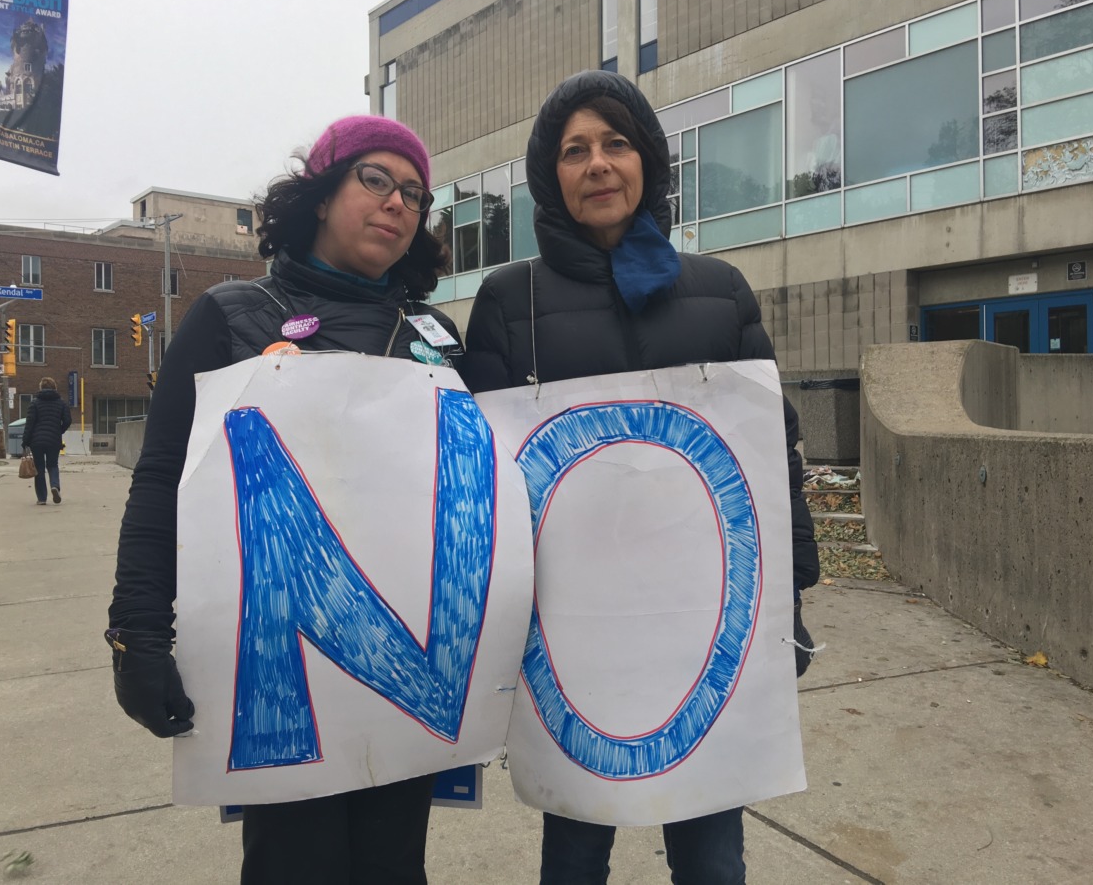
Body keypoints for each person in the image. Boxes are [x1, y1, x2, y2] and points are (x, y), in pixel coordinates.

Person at [459, 70, 820, 885]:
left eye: (616, 144)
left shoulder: (719, 291)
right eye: (574, 150)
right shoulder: (508, 300)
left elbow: (771, 449)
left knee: (712, 856)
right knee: (576, 852)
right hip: (571, 635)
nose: (597, 165)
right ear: (548, 176)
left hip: (699, 623)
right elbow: (478, 478)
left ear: (648, 161)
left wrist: (789, 596)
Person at [107, 116, 458, 885]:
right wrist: (138, 630)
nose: (397, 202)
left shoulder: (436, 336)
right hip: (278, 674)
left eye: (414, 193)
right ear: (321, 192)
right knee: (294, 866)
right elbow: (162, 479)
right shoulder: (232, 315)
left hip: (407, 665)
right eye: (374, 179)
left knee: (396, 866)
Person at [21, 376, 71, 505]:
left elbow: (29, 424)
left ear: (41, 388)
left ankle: (42, 498)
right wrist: (59, 430)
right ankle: (55, 486)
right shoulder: (61, 403)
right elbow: (68, 420)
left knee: (39, 468)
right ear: (54, 388)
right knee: (53, 465)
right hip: (54, 440)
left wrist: (25, 441)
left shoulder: (35, 403)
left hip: (36, 441)